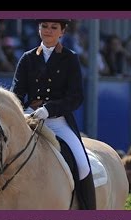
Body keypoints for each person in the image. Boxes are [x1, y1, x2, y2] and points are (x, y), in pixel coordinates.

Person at [10, 19, 96, 210]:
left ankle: (89, 212)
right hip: (30, 118)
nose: (48, 31)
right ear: (39, 29)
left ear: (62, 32)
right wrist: (21, 112)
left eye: (54, 27)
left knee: (82, 164)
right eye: (45, 26)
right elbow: (16, 92)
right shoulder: (27, 58)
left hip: (57, 121)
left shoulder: (70, 58)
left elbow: (76, 97)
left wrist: (50, 109)